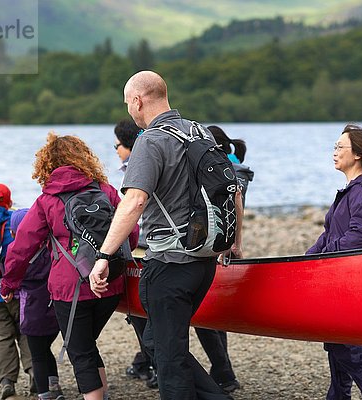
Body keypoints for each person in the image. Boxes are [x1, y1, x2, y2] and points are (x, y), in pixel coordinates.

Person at [89, 70, 243, 400]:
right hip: (204, 262)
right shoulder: (199, 131)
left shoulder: (150, 140)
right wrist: (235, 243)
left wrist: (104, 255)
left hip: (170, 265)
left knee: (169, 362)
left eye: (127, 102)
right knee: (160, 344)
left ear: (137, 101)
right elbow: (233, 191)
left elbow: (135, 200)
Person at [0, 132, 139, 400]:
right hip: (110, 284)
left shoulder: (47, 200)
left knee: (80, 350)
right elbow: (130, 236)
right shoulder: (106, 190)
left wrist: (9, 283)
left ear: (47, 164)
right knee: (86, 343)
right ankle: (103, 394)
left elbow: (22, 247)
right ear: (84, 158)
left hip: (69, 289)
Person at [306, 124, 362, 400]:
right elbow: (330, 233)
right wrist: (305, 260)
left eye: (339, 147)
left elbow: (359, 235)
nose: (334, 152)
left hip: (353, 287)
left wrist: (325, 254)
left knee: (354, 358)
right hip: (338, 283)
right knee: (338, 351)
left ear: (357, 155)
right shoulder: (350, 191)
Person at [192, 125, 255, 393]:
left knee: (204, 313)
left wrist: (232, 245)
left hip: (219, 248)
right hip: (225, 247)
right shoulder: (233, 168)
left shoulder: (225, 172)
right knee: (211, 314)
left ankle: (223, 370)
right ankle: (222, 369)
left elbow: (230, 207)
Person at [0, 183, 33, 399]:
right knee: (26, 332)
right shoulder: (15, 221)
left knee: (4, 336)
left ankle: (7, 382)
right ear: (8, 201)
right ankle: (34, 375)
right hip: (17, 291)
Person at [114, 119, 157, 387]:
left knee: (143, 307)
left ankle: (152, 365)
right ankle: (146, 361)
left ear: (127, 144)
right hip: (156, 243)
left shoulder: (136, 167)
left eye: (117, 145)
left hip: (144, 246)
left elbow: (134, 207)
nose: (116, 150)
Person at [6, 208, 64, 400]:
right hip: (53, 310)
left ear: (15, 231)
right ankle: (55, 387)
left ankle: (44, 394)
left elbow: (10, 276)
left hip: (31, 312)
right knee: (46, 349)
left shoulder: (16, 251)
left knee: (37, 355)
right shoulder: (50, 248)